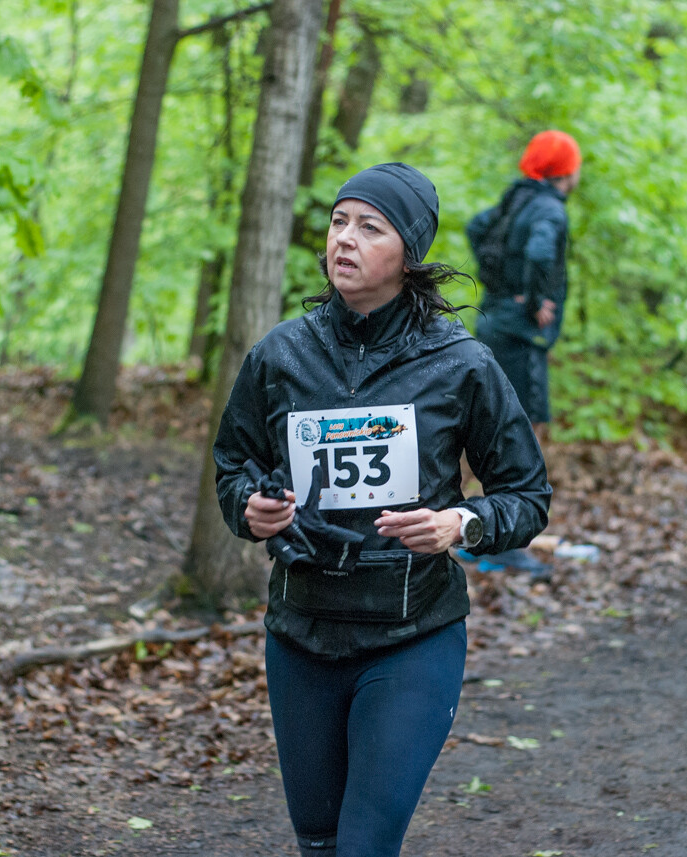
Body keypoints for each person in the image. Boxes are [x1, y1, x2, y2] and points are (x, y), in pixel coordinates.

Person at [213, 162, 551, 857]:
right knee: (319, 845)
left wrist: (461, 524)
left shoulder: (461, 364)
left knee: (362, 849)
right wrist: (250, 507)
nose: (346, 239)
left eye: (370, 227)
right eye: (340, 221)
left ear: (409, 253)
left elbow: (527, 494)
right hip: (301, 632)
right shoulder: (280, 355)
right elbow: (232, 465)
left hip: (411, 635)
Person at [464, 129, 581, 576]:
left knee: (496, 432)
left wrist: (500, 287)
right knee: (518, 437)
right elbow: (538, 251)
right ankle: (503, 544)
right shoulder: (548, 207)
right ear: (565, 170)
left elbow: (477, 226)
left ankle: (480, 534)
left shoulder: (516, 199)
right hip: (517, 335)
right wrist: (533, 303)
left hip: (494, 323)